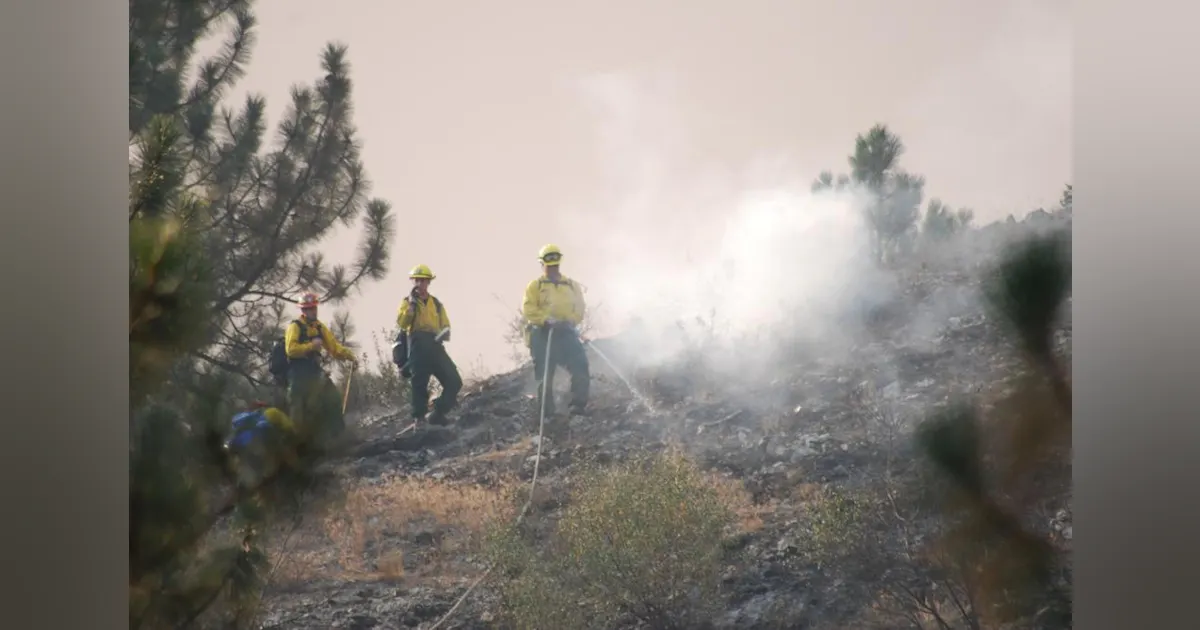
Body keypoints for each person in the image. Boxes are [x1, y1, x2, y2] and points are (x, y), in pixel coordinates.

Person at [521, 244, 590, 419]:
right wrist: (546, 320)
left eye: (555, 265)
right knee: (545, 373)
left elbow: (580, 308)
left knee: (580, 364)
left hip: (566, 332)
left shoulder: (571, 285)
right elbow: (529, 309)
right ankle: (547, 412)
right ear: (542, 264)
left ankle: (578, 405)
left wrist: (571, 320)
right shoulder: (535, 286)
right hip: (543, 334)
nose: (552, 268)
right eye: (549, 265)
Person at [284, 292, 358, 445]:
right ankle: (298, 445)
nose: (313, 311)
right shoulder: (295, 327)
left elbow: (334, 347)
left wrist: (349, 356)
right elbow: (290, 350)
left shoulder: (319, 327)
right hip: (298, 375)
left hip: (315, 372)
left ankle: (338, 437)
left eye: (314, 308)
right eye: (309, 308)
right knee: (299, 412)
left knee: (333, 399)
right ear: (303, 310)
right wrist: (311, 346)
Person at [396, 264, 463, 425]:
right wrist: (411, 307)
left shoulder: (436, 304)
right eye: (417, 280)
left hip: (435, 344)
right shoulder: (406, 302)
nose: (420, 284)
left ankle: (438, 412)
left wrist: (444, 333)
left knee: (454, 381)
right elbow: (402, 323)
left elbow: (446, 324)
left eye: (423, 280)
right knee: (419, 384)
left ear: (428, 282)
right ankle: (419, 419)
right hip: (418, 345)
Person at [225, 401, 298, 488]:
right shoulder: (270, 414)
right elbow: (288, 427)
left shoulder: (241, 423)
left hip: (250, 454)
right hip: (267, 448)